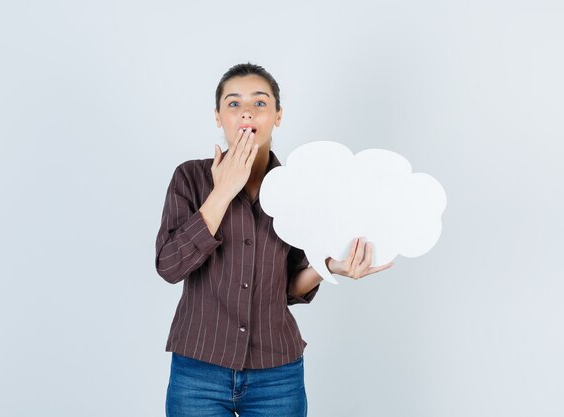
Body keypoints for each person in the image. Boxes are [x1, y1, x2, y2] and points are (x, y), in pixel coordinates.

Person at [155, 63, 394, 417]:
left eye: (260, 103)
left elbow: (288, 286)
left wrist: (328, 267)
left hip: (277, 375)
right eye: (233, 103)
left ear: (278, 116)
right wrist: (222, 192)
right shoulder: (190, 177)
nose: (247, 111)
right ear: (218, 117)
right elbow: (170, 266)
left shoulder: (300, 188)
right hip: (198, 371)